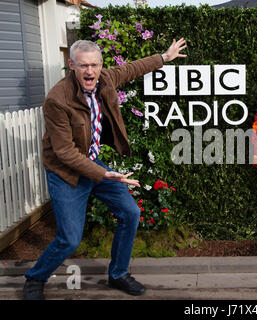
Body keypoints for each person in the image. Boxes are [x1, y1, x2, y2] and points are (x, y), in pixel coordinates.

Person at [22, 38, 187, 300]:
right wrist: (102, 173)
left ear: (101, 65)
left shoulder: (106, 79)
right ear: (71, 66)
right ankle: (35, 278)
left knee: (130, 213)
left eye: (95, 65)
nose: (90, 71)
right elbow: (64, 152)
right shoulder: (57, 100)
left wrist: (164, 57)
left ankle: (118, 273)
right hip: (66, 172)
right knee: (70, 240)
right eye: (83, 65)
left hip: (94, 164)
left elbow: (132, 68)